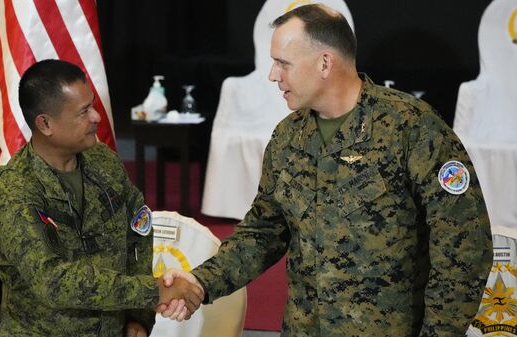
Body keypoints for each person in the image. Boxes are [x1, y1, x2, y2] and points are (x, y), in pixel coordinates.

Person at [161, 4, 493, 336]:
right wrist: (200, 283)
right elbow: (263, 232)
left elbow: (464, 246)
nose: (273, 75)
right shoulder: (288, 137)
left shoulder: (411, 128)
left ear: (324, 63)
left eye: (282, 63)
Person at [0, 59, 202, 337]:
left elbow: (139, 232)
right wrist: (153, 291)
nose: (96, 117)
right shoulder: (13, 189)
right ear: (45, 123)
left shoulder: (103, 162)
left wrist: (138, 317)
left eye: (92, 105)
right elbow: (54, 281)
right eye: (83, 112)